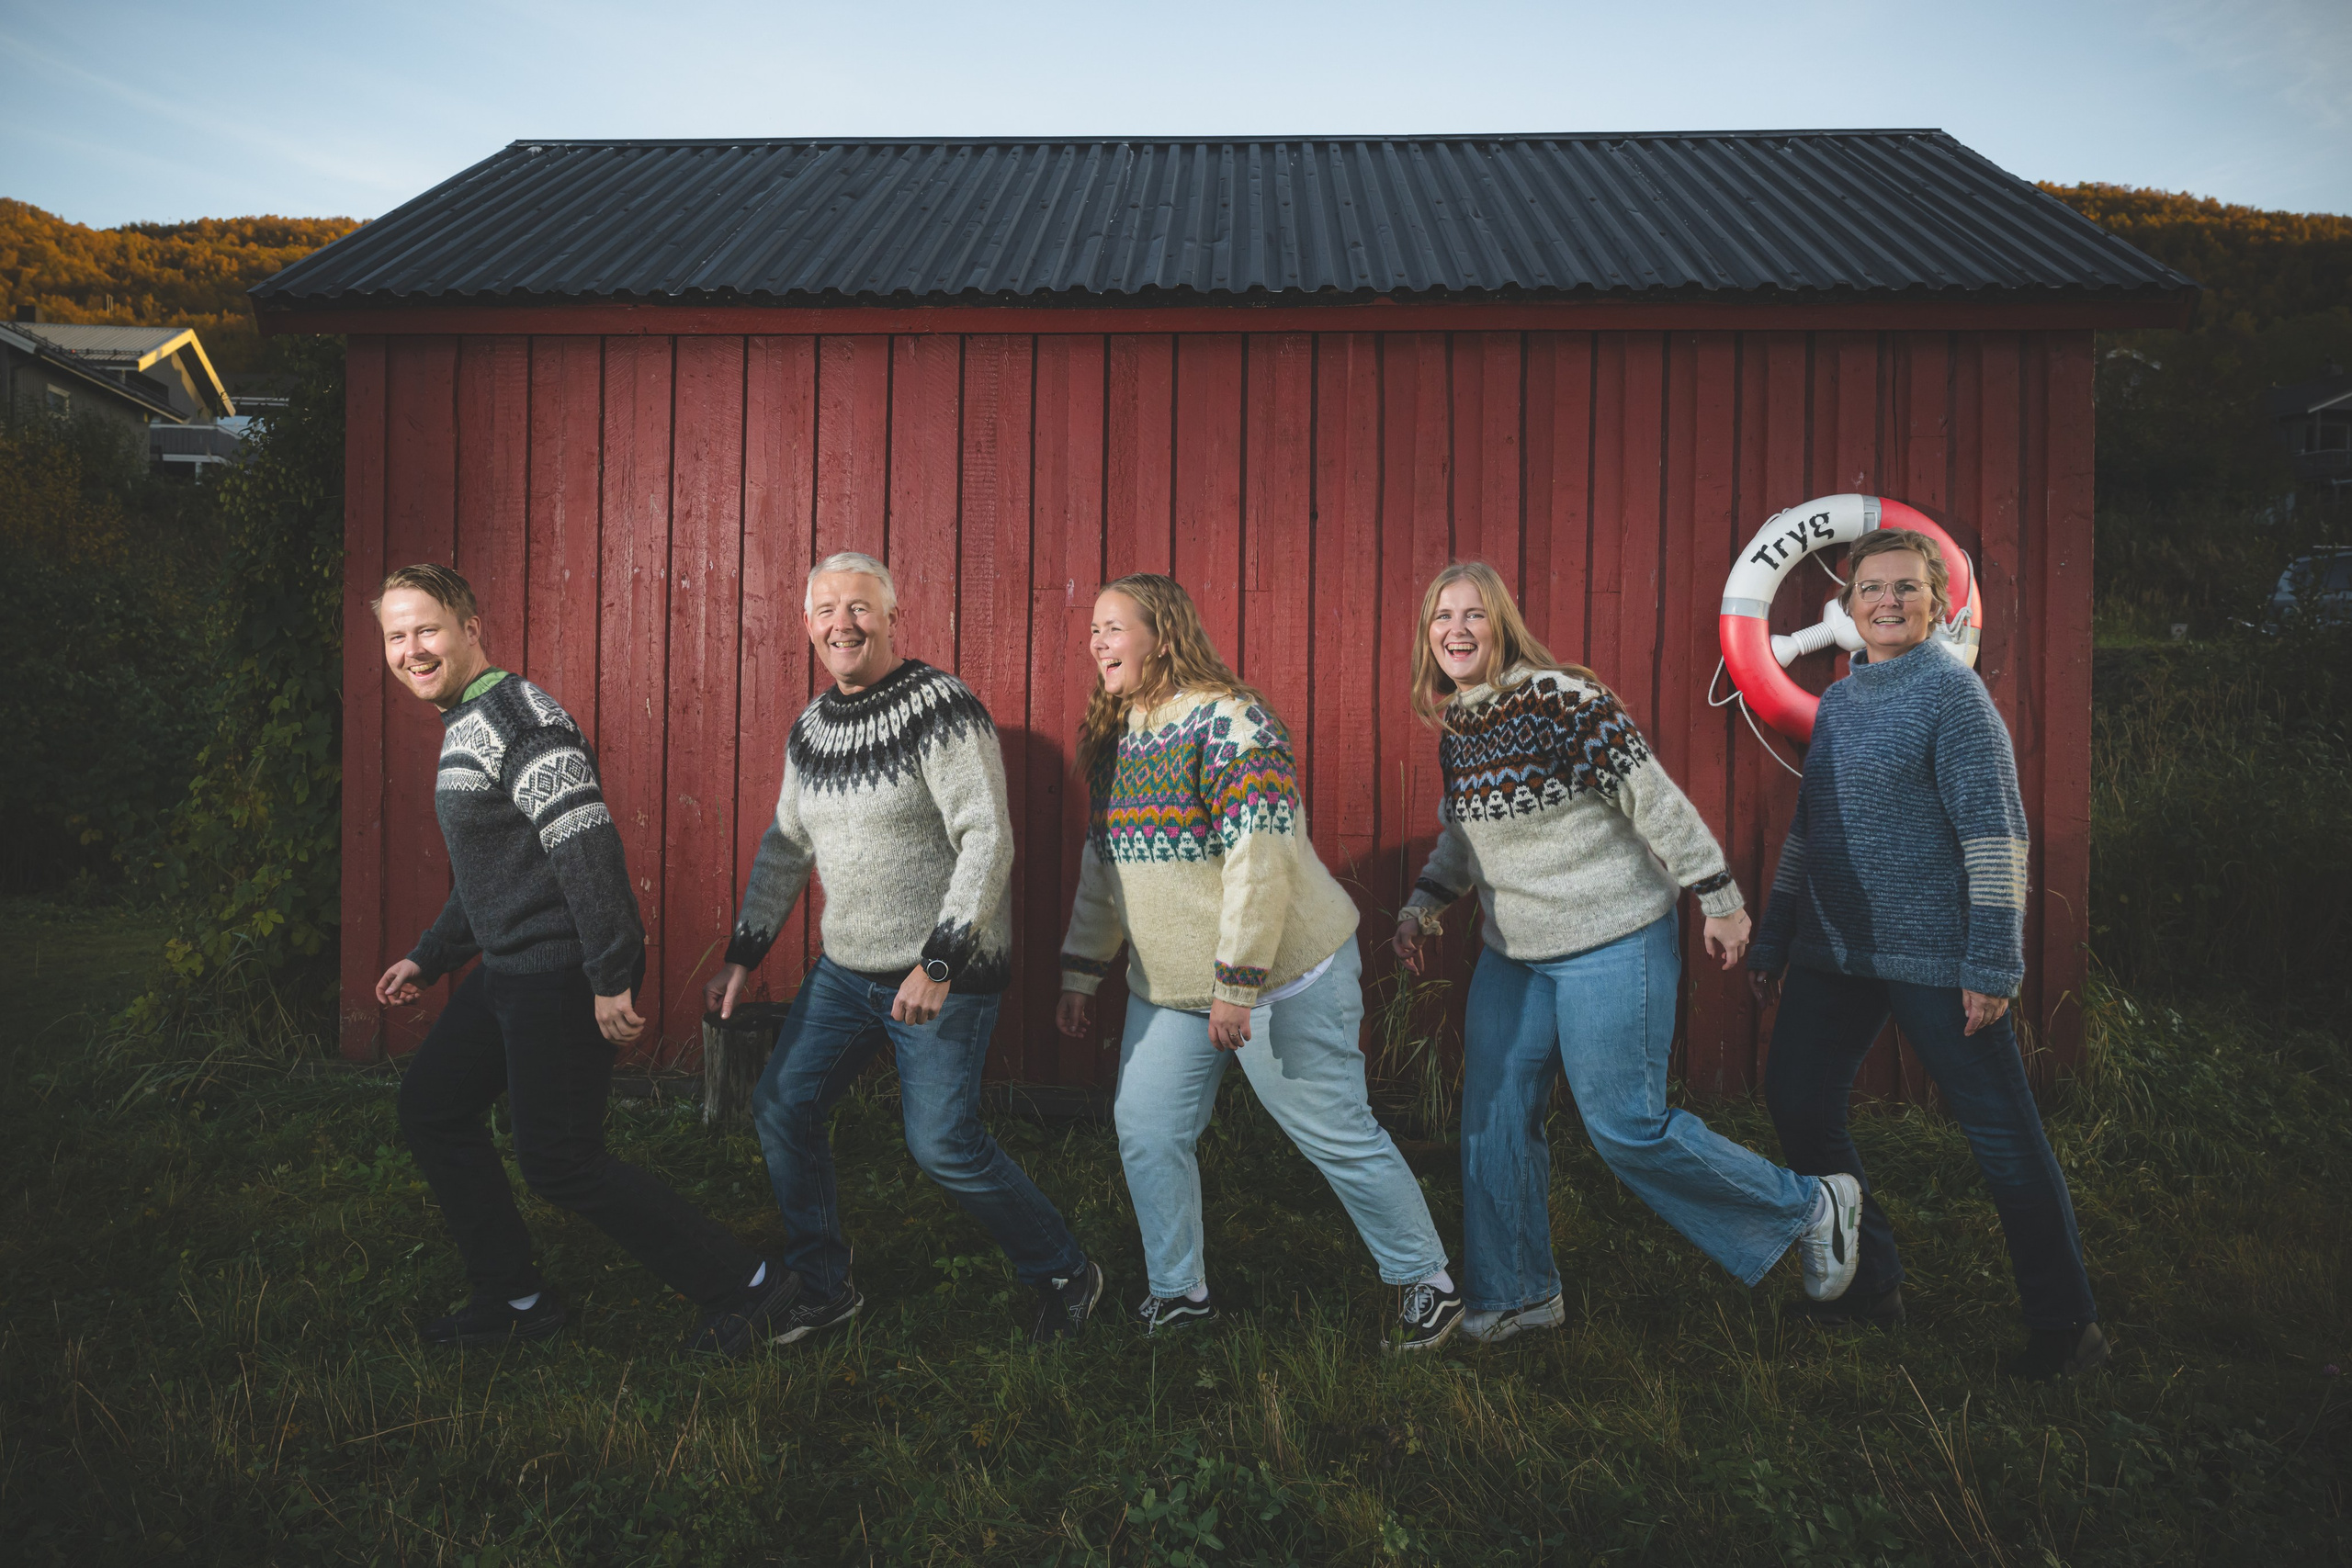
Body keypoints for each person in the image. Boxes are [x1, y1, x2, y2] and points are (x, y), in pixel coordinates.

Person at [1393, 561, 1863, 1345]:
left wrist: (1719, 895)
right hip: (1517, 954)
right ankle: (1516, 1295)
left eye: (1474, 613)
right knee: (1495, 1121)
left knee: (1624, 1125)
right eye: (1442, 616)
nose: (1457, 629)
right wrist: (1423, 905)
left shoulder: (1561, 700)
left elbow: (1651, 793)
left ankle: (1810, 1207)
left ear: (1501, 624)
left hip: (1611, 937)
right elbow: (1464, 835)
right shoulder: (1462, 728)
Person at [375, 564, 787, 1357]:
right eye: (396, 635)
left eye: (426, 628)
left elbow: (588, 853)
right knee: (432, 1108)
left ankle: (752, 1287)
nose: (412, 649)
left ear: (470, 626)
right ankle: (517, 1298)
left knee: (561, 1160)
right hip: (505, 971)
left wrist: (610, 976)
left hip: (559, 974)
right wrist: (429, 957)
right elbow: (498, 873)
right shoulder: (466, 722)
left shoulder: (520, 721)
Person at [1056, 574, 1462, 1351]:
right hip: (1172, 988)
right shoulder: (1116, 737)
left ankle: (1428, 1284)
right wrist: (1084, 969)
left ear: (1163, 634)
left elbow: (1261, 857)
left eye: (1114, 627)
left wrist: (1237, 982)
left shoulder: (1234, 722)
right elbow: (1104, 864)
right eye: (1094, 631)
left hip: (1280, 976)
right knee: (1146, 1128)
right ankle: (1179, 1294)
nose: (1097, 642)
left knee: (1335, 1132)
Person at [707, 551, 1100, 1346]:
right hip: (847, 972)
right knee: (783, 1104)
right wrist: (746, 950)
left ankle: (1064, 1267)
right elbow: (786, 845)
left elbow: (987, 838)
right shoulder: (812, 728)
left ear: (892, 617)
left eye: (859, 607)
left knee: (943, 1144)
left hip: (944, 973)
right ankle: (822, 1288)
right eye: (826, 610)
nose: (842, 623)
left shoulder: (942, 706)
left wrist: (940, 961)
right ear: (807, 624)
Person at [1749, 528, 2106, 1380]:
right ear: (1848, 604)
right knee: (1798, 1098)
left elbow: (1997, 838)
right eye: (1872, 588)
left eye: (1907, 588)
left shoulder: (1954, 697)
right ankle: (1870, 1285)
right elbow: (1812, 830)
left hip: (1936, 956)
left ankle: (2068, 1331)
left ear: (1936, 603)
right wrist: (1776, 931)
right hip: (1837, 948)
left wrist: (1991, 963)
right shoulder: (1840, 700)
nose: (1888, 602)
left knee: (2003, 1136)